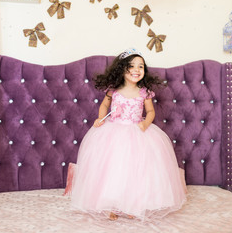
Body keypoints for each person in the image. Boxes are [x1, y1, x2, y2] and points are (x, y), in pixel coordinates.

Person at [70, 48, 187, 221]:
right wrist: (100, 119)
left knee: (136, 170)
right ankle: (110, 205)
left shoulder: (144, 92)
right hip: (114, 131)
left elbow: (151, 112)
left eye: (141, 66)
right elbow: (104, 106)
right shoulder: (113, 90)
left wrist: (145, 123)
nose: (136, 70)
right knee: (113, 169)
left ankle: (132, 204)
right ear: (122, 69)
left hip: (137, 131)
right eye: (132, 66)